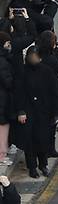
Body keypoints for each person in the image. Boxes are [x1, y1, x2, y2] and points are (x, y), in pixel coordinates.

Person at [18, 47, 58, 179]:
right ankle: (32, 167)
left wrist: (57, 112)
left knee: (42, 140)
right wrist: (21, 111)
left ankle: (43, 164)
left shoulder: (46, 71)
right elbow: (19, 93)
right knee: (30, 141)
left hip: (44, 112)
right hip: (28, 111)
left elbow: (54, 92)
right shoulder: (23, 72)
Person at [35, 31, 58, 156]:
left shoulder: (38, 55)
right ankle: (48, 149)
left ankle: (49, 149)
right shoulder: (51, 59)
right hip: (53, 92)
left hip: (45, 93)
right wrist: (56, 50)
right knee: (51, 123)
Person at [0, 34, 12, 166]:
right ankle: (2, 155)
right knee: (3, 127)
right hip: (3, 99)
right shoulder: (3, 61)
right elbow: (7, 81)